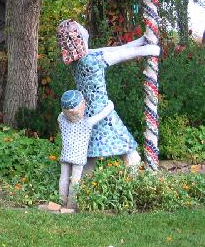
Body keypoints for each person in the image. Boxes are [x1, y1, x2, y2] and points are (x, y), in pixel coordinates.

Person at [56, 19, 160, 174]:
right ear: (76, 35)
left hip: (89, 112)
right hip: (103, 112)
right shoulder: (90, 61)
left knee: (90, 156)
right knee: (130, 152)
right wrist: (147, 50)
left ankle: (79, 189)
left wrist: (140, 42)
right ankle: (137, 184)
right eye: (79, 27)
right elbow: (121, 55)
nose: (83, 28)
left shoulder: (79, 59)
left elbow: (112, 50)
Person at [58, 89, 115, 209]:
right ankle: (71, 204)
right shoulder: (87, 123)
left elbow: (63, 113)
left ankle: (61, 200)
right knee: (75, 180)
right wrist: (110, 105)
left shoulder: (61, 120)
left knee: (63, 177)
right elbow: (102, 114)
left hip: (65, 155)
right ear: (82, 107)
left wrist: (68, 110)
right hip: (78, 157)